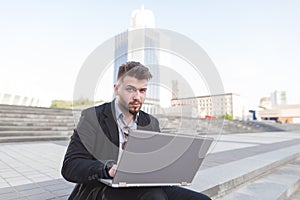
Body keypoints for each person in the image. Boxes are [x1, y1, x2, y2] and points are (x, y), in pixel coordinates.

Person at [61, 61, 211, 200]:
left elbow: (155, 161)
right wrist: (107, 169)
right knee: (154, 197)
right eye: (130, 89)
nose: (137, 97)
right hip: (102, 189)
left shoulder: (151, 122)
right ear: (116, 89)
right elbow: (70, 166)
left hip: (144, 185)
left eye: (142, 90)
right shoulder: (93, 117)